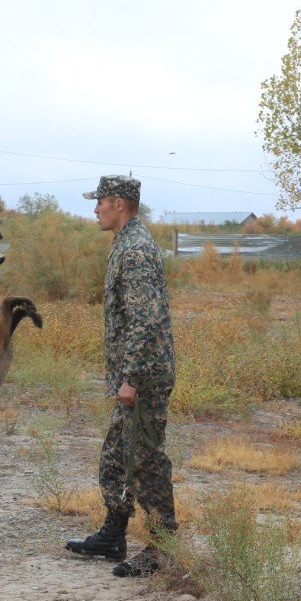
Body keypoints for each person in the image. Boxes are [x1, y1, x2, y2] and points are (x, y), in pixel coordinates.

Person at [65, 175, 177, 578]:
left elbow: (145, 321)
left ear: (119, 203)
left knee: (145, 460)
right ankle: (114, 534)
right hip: (134, 374)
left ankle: (164, 550)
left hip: (144, 377)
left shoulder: (136, 250)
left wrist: (129, 377)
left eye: (100, 202)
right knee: (117, 455)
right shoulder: (125, 242)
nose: (95, 209)